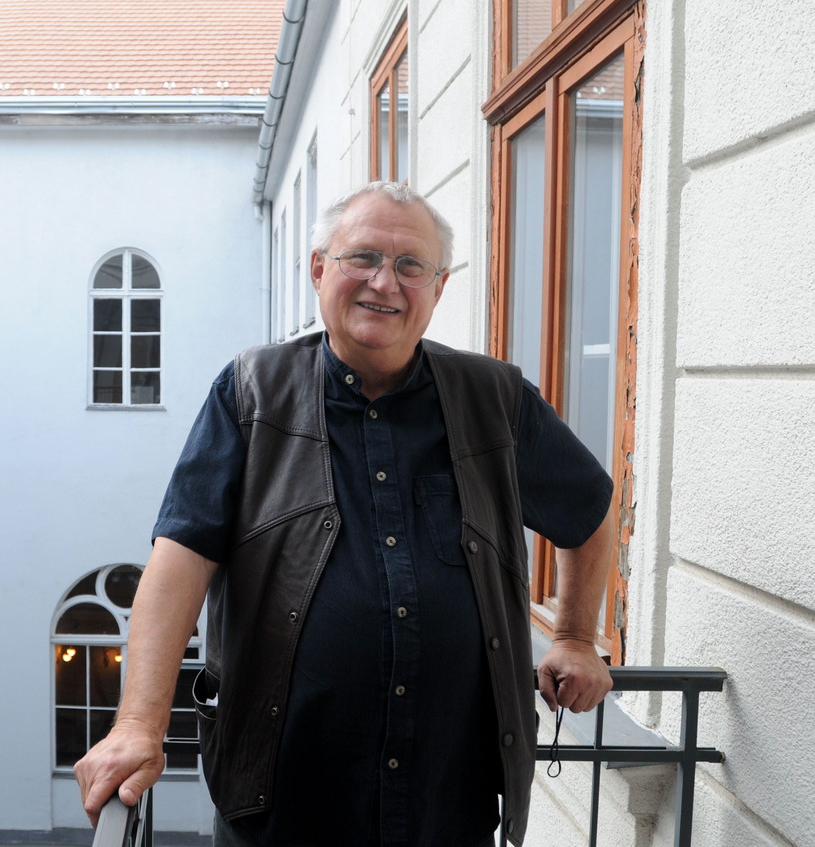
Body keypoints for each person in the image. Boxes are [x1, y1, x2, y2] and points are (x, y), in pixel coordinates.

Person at [74, 181, 615, 846]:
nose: (384, 282)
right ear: (318, 268)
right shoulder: (251, 392)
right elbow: (179, 560)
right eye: (362, 257)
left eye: (411, 265)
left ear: (438, 288)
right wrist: (138, 726)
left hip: (448, 805)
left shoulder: (495, 399)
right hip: (283, 810)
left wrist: (575, 637)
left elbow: (589, 511)